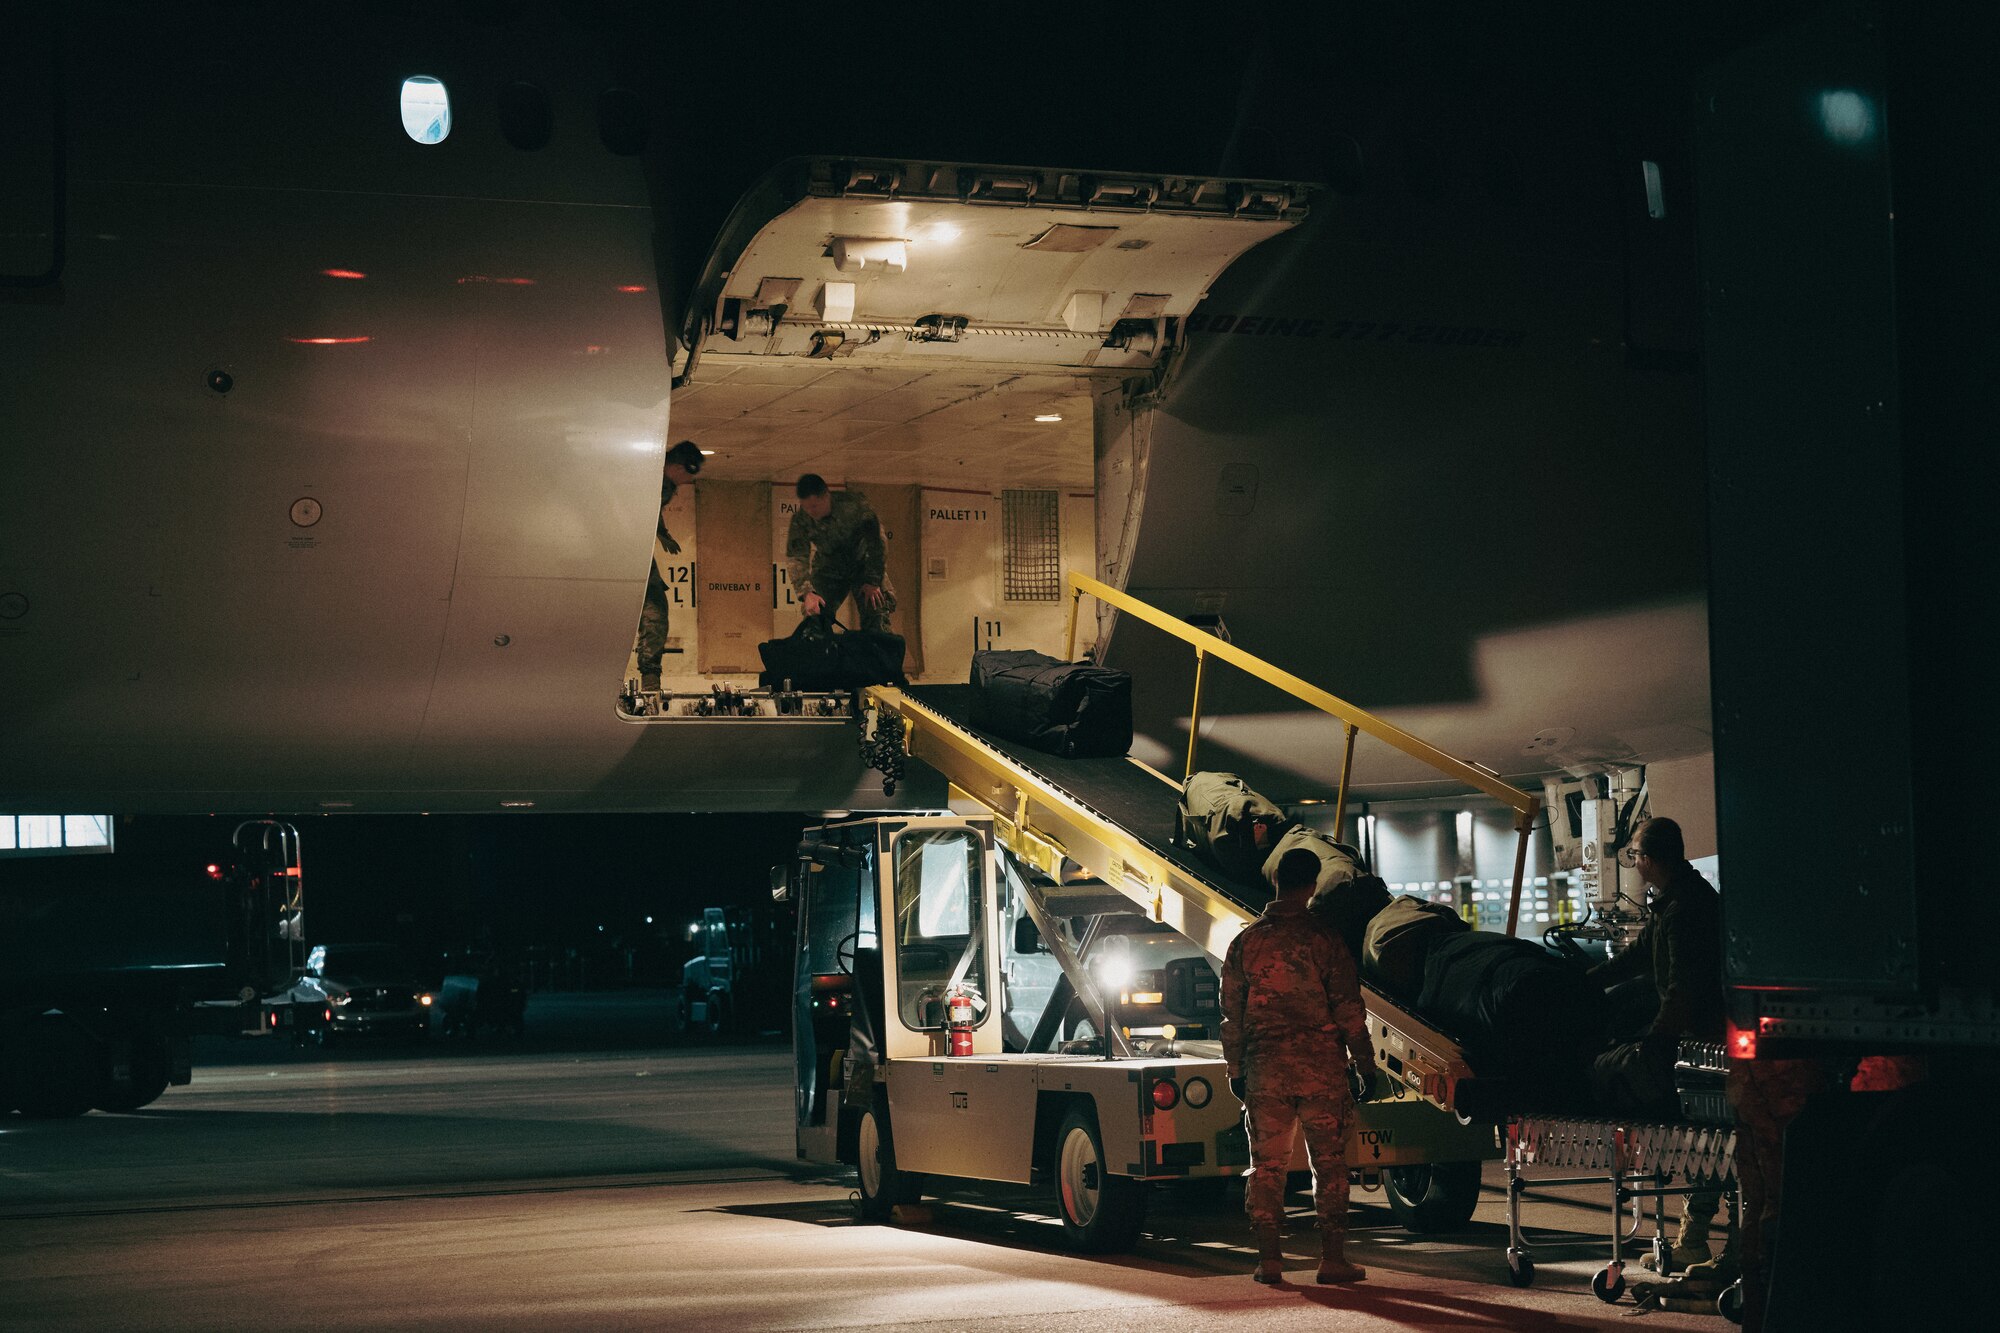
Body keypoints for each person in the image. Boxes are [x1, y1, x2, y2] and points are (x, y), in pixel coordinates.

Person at [1220, 846, 1378, 1286]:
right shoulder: (1324, 939)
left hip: (1266, 1071)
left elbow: (1232, 1015)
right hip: (1321, 1071)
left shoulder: (1246, 941)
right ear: (1312, 886)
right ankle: (1332, 1260)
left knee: (1267, 1166)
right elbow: (1349, 1008)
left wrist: (1235, 1069)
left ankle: (1270, 1260)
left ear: (1277, 882)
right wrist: (1365, 1063)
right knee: (1328, 1165)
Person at [1588, 815, 1726, 1267]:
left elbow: (1683, 989)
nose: (1634, 863)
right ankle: (1697, 1237)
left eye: (1635, 856)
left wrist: (1657, 1042)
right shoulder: (1679, 900)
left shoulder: (1684, 910)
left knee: (1707, 1141)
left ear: (1648, 860)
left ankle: (1700, 1238)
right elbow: (1637, 957)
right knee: (1707, 1141)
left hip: (1701, 1041)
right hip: (1697, 1038)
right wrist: (1586, 981)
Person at [784, 474, 896, 633]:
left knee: (876, 614)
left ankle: (876, 653)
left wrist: (873, 581)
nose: (810, 512)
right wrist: (806, 592)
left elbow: (877, 542)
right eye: (806, 507)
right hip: (829, 566)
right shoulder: (801, 519)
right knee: (815, 617)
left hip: (863, 564)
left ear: (826, 497)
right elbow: (796, 556)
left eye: (814, 506)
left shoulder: (855, 506)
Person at [634, 440, 704, 692]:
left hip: (632, 550)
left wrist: (663, 535)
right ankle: (650, 679)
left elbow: (652, 511)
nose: (686, 481)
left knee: (655, 609)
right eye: (687, 474)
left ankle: (650, 680)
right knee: (655, 611)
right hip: (627, 552)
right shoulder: (653, 477)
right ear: (676, 466)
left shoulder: (655, 475)